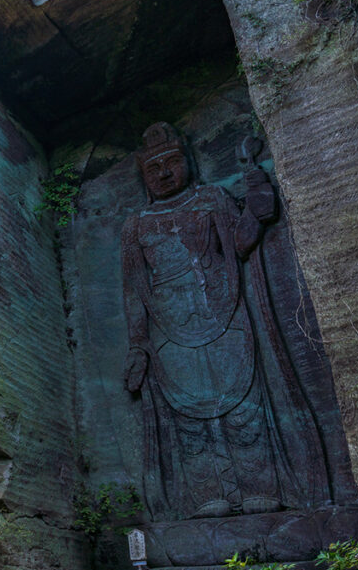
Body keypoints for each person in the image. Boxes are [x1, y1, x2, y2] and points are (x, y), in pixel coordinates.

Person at [120, 122, 329, 521]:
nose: (164, 174)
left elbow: (240, 243)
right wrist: (137, 344)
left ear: (189, 162)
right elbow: (134, 289)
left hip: (222, 312)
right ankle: (208, 497)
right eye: (154, 169)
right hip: (169, 328)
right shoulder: (137, 224)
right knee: (188, 419)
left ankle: (261, 490)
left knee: (243, 408)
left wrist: (256, 200)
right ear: (144, 177)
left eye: (172, 163)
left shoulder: (211, 198)